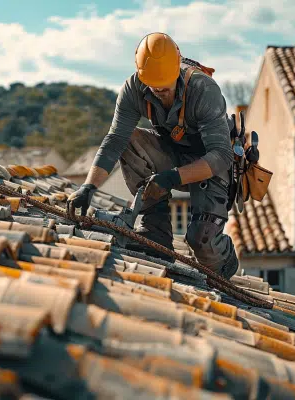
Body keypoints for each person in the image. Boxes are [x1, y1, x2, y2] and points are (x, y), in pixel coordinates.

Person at [67, 32, 239, 279]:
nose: (161, 92)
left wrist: (171, 178)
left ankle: (224, 263)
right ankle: (155, 231)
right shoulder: (134, 88)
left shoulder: (203, 89)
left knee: (201, 242)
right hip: (173, 153)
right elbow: (115, 140)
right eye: (155, 88)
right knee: (129, 139)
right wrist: (88, 187)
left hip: (210, 164)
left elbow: (222, 155)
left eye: (166, 87)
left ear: (177, 71)